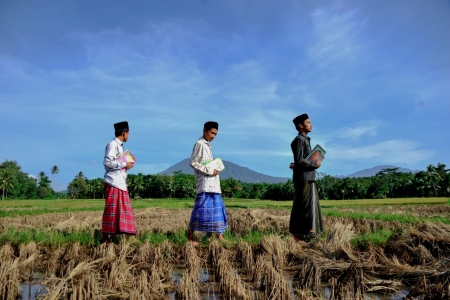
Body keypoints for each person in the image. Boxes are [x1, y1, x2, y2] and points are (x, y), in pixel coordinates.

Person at [188, 121, 228, 246]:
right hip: (205, 184)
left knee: (217, 209)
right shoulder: (200, 144)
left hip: (213, 185)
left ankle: (219, 235)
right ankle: (190, 237)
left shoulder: (207, 145)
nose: (213, 136)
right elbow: (193, 162)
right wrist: (210, 170)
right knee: (200, 209)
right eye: (212, 133)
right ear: (204, 130)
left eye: (215, 134)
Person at [289, 114, 323, 244]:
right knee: (301, 206)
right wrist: (315, 164)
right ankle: (296, 236)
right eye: (308, 122)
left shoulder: (306, 140)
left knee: (311, 206)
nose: (311, 124)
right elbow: (299, 160)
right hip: (303, 178)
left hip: (309, 177)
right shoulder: (299, 140)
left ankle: (309, 232)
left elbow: (299, 161)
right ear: (301, 126)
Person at [101, 121, 136, 243]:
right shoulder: (112, 145)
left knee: (122, 209)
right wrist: (124, 164)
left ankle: (119, 234)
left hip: (120, 182)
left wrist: (126, 166)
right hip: (113, 182)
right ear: (124, 133)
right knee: (111, 210)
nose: (129, 135)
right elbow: (107, 162)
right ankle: (105, 237)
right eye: (128, 133)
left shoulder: (120, 146)